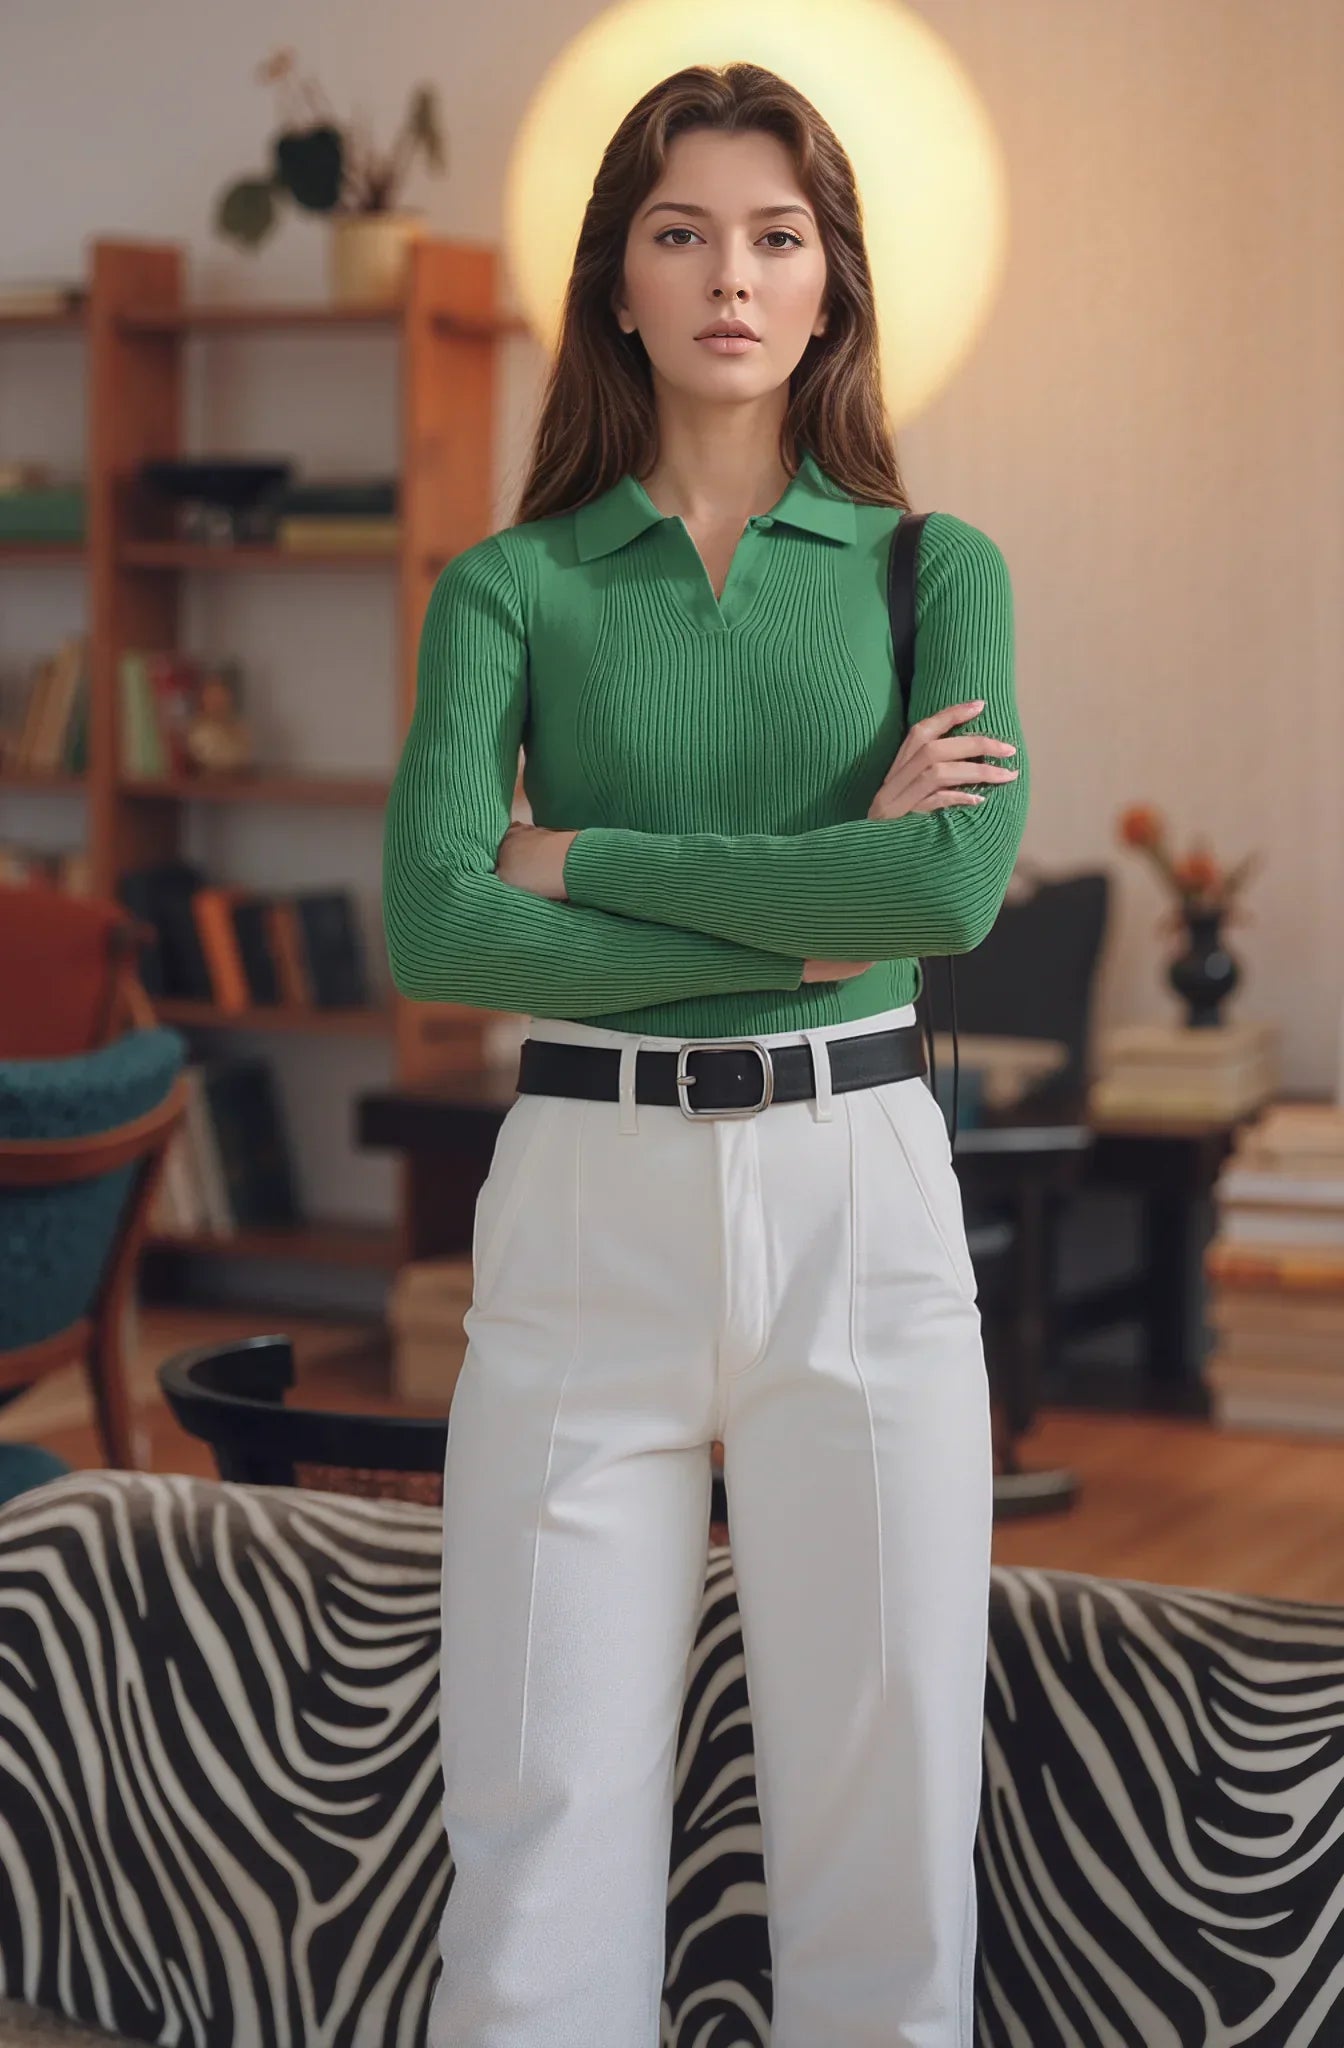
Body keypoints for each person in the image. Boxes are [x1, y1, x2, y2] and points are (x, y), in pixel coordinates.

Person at [381, 59, 1027, 2048]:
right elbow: (434, 922)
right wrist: (811, 900)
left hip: (862, 1199)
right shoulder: (508, 586)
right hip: (587, 1209)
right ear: (619, 281)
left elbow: (952, 900)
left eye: (773, 233)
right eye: (681, 232)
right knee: (543, 1807)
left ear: (828, 280)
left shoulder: (939, 572)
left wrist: (589, 865)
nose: (729, 274)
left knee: (888, 1811)